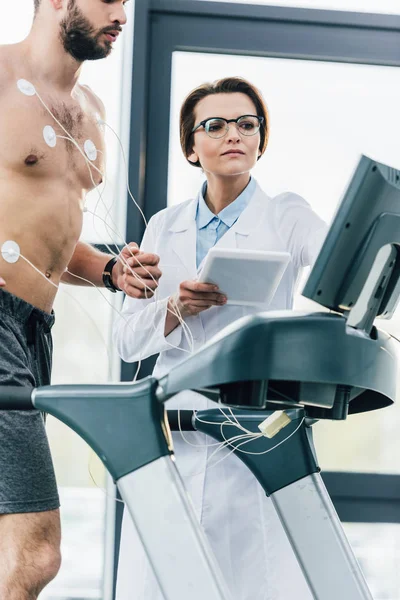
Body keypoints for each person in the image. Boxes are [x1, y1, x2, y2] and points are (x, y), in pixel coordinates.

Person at [114, 77, 327, 599]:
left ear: (260, 140)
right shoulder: (164, 227)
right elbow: (126, 341)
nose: (234, 134)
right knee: (161, 582)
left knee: (253, 583)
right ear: (192, 146)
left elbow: (335, 263)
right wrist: (176, 306)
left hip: (251, 432)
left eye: (247, 124)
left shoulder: (286, 215)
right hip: (173, 433)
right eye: (215, 125)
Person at [0, 1, 161, 598]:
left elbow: (50, 238)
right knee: (34, 551)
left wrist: (113, 269)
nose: (121, 14)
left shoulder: (89, 112)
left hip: (33, 328)